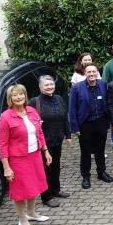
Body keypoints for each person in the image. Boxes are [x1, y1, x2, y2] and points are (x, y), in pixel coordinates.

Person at [0, 84, 52, 225]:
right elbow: (2, 144)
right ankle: (22, 220)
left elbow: (39, 133)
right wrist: (6, 167)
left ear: (25, 95)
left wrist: (45, 151)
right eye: (14, 95)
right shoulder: (5, 117)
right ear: (10, 98)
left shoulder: (32, 111)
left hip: (34, 155)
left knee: (34, 186)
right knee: (21, 191)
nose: (18, 97)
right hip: (18, 159)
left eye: (21, 94)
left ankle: (32, 212)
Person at [28, 76, 71, 208]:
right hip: (43, 143)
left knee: (56, 166)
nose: (49, 87)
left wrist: (68, 134)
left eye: (51, 84)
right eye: (46, 85)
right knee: (45, 169)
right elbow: (27, 120)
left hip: (57, 139)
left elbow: (65, 117)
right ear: (40, 87)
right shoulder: (34, 102)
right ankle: (46, 196)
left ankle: (56, 189)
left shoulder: (58, 98)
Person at [68, 64, 113, 189]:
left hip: (101, 122)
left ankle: (101, 172)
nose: (92, 74)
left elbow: (108, 103)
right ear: (85, 73)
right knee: (85, 151)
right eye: (89, 72)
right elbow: (72, 108)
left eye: (94, 71)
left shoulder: (103, 84)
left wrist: (109, 121)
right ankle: (86, 176)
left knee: (100, 149)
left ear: (97, 72)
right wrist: (75, 127)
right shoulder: (77, 88)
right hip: (85, 124)